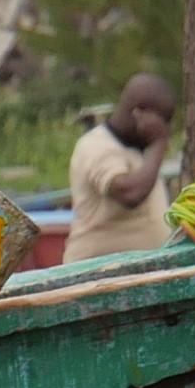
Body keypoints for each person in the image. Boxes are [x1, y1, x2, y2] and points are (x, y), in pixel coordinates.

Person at [66, 75, 175, 264]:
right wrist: (159, 144)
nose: (166, 129)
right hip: (97, 279)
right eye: (163, 121)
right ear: (139, 113)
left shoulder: (136, 152)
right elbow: (130, 193)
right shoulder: (96, 145)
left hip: (134, 275)